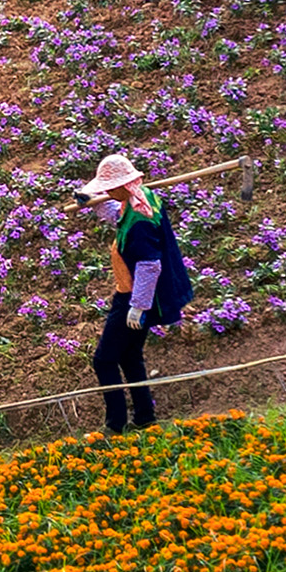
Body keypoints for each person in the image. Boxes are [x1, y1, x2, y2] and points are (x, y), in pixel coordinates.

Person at [77, 153, 191, 434]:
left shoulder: (140, 222)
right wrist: (93, 204)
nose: (105, 193)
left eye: (108, 188)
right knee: (129, 356)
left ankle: (115, 424)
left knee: (103, 360)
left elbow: (150, 265)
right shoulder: (143, 198)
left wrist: (138, 306)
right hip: (135, 294)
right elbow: (118, 215)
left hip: (133, 296)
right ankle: (145, 417)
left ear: (123, 185)